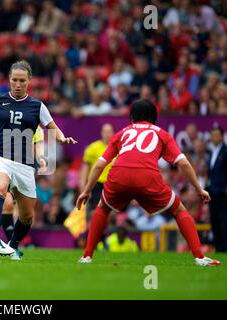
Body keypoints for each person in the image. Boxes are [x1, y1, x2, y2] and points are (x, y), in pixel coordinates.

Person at [76, 99, 220, 266]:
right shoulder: (162, 134)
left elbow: (100, 164)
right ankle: (200, 258)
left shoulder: (122, 133)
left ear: (132, 118)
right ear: (154, 118)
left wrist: (86, 190)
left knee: (102, 208)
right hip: (148, 176)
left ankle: (87, 256)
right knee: (179, 211)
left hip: (119, 175)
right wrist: (198, 189)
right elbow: (183, 163)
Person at [0, 60, 77, 259]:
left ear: (29, 81)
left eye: (22, 80)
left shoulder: (37, 106)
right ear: (9, 79)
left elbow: (51, 126)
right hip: (0, 158)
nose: (18, 84)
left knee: (27, 216)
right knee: (0, 186)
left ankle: (13, 246)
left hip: (24, 164)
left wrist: (62, 137)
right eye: (14, 80)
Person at [0, 117, 47, 242]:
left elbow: (38, 148)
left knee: (26, 214)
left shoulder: (35, 127)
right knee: (6, 203)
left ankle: (9, 244)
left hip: (23, 171)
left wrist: (41, 160)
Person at [80, 124, 114, 216]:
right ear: (101, 133)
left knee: (110, 211)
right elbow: (85, 169)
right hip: (96, 184)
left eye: (109, 132)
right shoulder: (93, 148)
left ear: (113, 133)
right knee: (97, 210)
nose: (107, 134)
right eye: (105, 132)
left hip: (111, 184)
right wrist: (83, 187)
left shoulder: (117, 148)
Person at [206, 127, 227, 252]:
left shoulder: (225, 151)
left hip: (222, 192)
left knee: (224, 219)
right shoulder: (212, 152)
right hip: (213, 191)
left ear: (222, 136)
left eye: (217, 135)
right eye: (213, 135)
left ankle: (224, 246)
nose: (214, 137)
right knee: (214, 219)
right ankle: (218, 246)